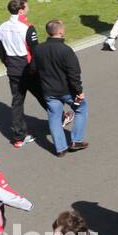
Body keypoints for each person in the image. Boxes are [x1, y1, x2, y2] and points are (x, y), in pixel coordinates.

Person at [31, 19, 89, 156]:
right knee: (81, 109)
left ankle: (60, 148)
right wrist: (79, 91)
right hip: (67, 91)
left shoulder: (38, 49)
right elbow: (74, 74)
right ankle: (76, 140)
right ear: (61, 32)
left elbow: (32, 69)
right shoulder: (66, 50)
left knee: (54, 117)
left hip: (48, 91)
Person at [0, 0, 40, 148]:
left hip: (12, 68)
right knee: (44, 94)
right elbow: (36, 52)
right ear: (21, 9)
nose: (28, 8)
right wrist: (35, 70)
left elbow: (1, 52)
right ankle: (60, 117)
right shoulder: (27, 27)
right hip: (27, 68)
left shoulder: (1, 27)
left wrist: (8, 64)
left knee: (17, 102)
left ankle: (18, 138)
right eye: (26, 6)